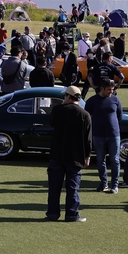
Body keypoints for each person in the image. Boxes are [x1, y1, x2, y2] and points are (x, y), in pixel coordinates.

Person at [46, 86, 92, 222]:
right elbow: (88, 139)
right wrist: (87, 156)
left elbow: (51, 123)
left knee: (54, 187)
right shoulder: (85, 114)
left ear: (67, 96)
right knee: (73, 187)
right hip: (76, 155)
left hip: (57, 153)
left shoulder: (58, 110)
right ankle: (71, 214)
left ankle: (53, 213)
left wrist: (61, 106)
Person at [85, 79, 122, 194]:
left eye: (112, 89)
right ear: (102, 88)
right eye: (109, 89)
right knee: (100, 160)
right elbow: (87, 116)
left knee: (115, 160)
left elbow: (119, 116)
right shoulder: (92, 101)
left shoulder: (116, 100)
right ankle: (104, 183)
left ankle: (115, 185)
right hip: (98, 135)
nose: (111, 92)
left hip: (114, 134)